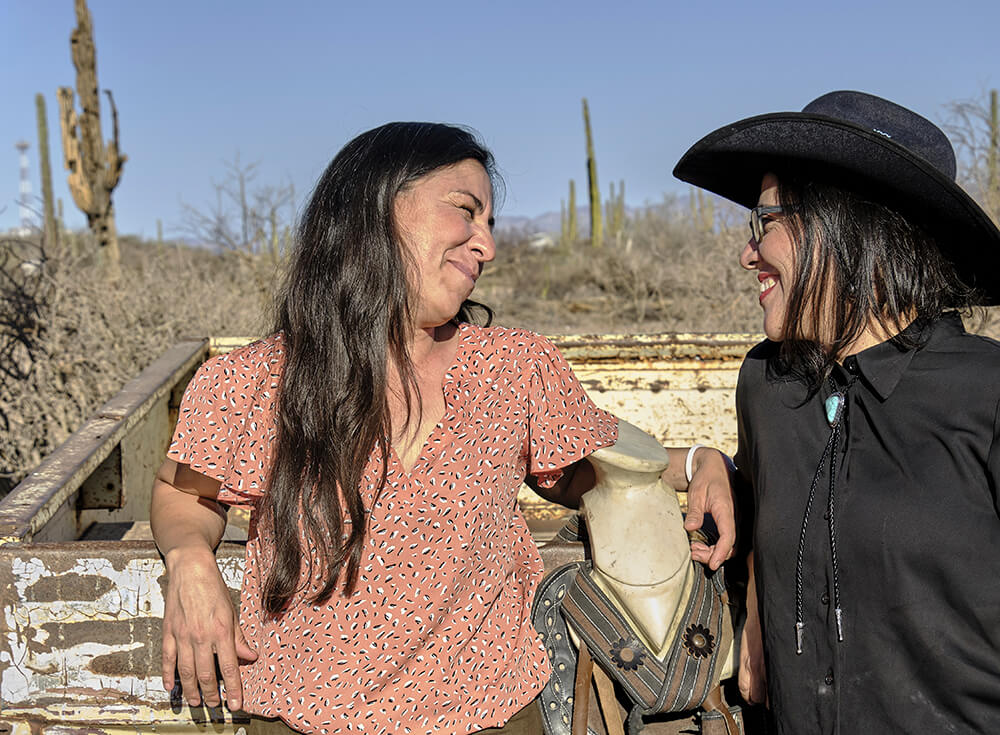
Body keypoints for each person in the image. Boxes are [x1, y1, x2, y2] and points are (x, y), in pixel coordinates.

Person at [151, 121, 736, 735]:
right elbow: (184, 492)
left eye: (490, 223)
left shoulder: (515, 367)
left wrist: (701, 461)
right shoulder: (251, 380)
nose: (487, 245)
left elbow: (593, 472)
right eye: (465, 211)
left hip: (491, 715)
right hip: (300, 716)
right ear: (375, 208)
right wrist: (189, 561)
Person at [674, 90, 1000, 734]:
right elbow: (776, 497)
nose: (748, 254)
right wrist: (709, 467)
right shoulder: (768, 384)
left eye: (766, 223)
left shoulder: (984, 391)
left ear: (847, 225)